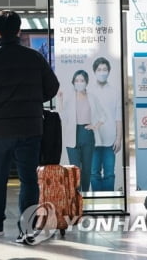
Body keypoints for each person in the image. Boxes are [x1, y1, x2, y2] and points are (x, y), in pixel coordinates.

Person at [0, 10, 60, 244]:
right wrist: (32, 100)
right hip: (30, 127)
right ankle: (28, 228)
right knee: (28, 179)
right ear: (19, 30)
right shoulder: (35, 58)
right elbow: (52, 87)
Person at [57, 69, 107, 192]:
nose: (79, 83)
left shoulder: (92, 97)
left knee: (87, 168)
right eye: (77, 80)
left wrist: (95, 126)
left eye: (82, 80)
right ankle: (76, 196)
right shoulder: (69, 98)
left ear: (86, 82)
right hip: (72, 135)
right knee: (74, 169)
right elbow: (62, 117)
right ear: (73, 82)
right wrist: (60, 100)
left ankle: (85, 195)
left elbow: (103, 115)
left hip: (87, 134)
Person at [88, 57, 123, 191]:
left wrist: (118, 138)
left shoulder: (114, 91)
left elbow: (118, 116)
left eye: (105, 69)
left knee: (109, 174)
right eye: (99, 69)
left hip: (110, 140)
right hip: (93, 139)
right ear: (94, 71)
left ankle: (109, 202)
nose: (102, 72)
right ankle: (97, 202)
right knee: (93, 173)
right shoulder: (89, 91)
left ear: (109, 71)